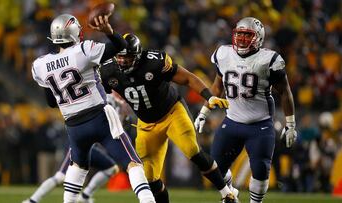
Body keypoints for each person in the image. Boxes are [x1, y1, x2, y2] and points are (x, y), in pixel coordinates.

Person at [31, 14, 155, 203]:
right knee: (132, 162)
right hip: (99, 117)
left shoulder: (41, 64)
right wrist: (109, 31)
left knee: (78, 167)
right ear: (73, 33)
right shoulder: (83, 50)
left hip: (73, 126)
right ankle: (148, 200)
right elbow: (120, 45)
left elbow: (51, 102)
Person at [100, 33, 237, 203]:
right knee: (149, 178)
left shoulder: (154, 62)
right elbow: (104, 96)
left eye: (127, 57)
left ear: (137, 54)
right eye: (119, 57)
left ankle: (227, 194)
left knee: (192, 150)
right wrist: (117, 111)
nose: (122, 61)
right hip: (146, 123)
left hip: (172, 112)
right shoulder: (107, 70)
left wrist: (208, 97)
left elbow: (187, 77)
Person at [194, 17, 297, 203]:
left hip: (260, 125)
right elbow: (217, 87)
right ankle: (232, 193)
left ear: (258, 38)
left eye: (247, 35)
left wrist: (290, 124)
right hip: (232, 121)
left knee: (260, 170)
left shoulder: (269, 59)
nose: (241, 39)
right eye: (239, 34)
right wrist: (204, 112)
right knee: (215, 169)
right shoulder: (223, 54)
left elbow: (285, 92)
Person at [22, 144, 118, 203]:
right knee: (60, 177)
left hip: (91, 148)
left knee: (111, 168)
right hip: (77, 146)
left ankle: (85, 196)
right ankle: (32, 200)